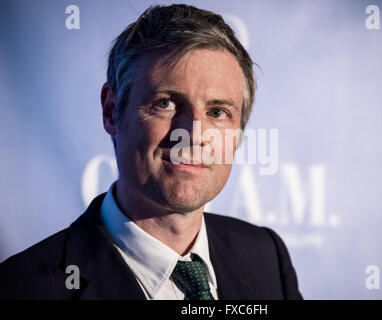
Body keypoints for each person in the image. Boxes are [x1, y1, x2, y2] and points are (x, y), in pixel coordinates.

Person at [0, 4, 302, 300]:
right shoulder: (22, 288)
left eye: (218, 112)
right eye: (165, 103)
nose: (194, 135)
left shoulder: (267, 258)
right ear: (110, 110)